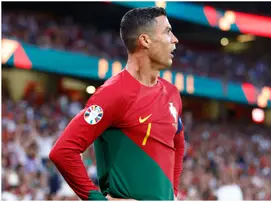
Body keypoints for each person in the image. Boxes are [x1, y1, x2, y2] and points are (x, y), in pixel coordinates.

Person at [49, 6, 184, 201]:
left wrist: (173, 193)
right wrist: (98, 200)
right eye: (167, 32)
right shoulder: (113, 94)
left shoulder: (172, 94)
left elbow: (178, 143)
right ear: (145, 40)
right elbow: (62, 151)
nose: (175, 39)